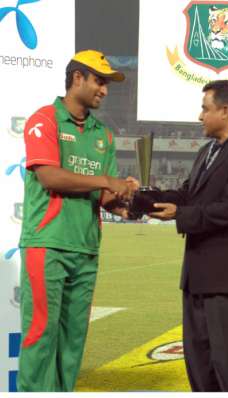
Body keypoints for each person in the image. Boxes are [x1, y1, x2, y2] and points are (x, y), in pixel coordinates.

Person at [18, 50, 138, 391]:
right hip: (48, 244)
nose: (105, 90)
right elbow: (50, 177)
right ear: (77, 79)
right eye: (99, 81)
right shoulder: (44, 120)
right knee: (41, 334)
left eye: (107, 83)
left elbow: (104, 196)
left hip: (85, 248)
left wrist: (126, 201)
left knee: (72, 341)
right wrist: (105, 182)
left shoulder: (103, 135)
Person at [148, 80, 228, 392]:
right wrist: (140, 198)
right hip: (197, 279)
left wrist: (180, 214)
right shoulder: (207, 151)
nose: (199, 116)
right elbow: (188, 195)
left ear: (225, 111)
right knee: (201, 369)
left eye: (205, 108)